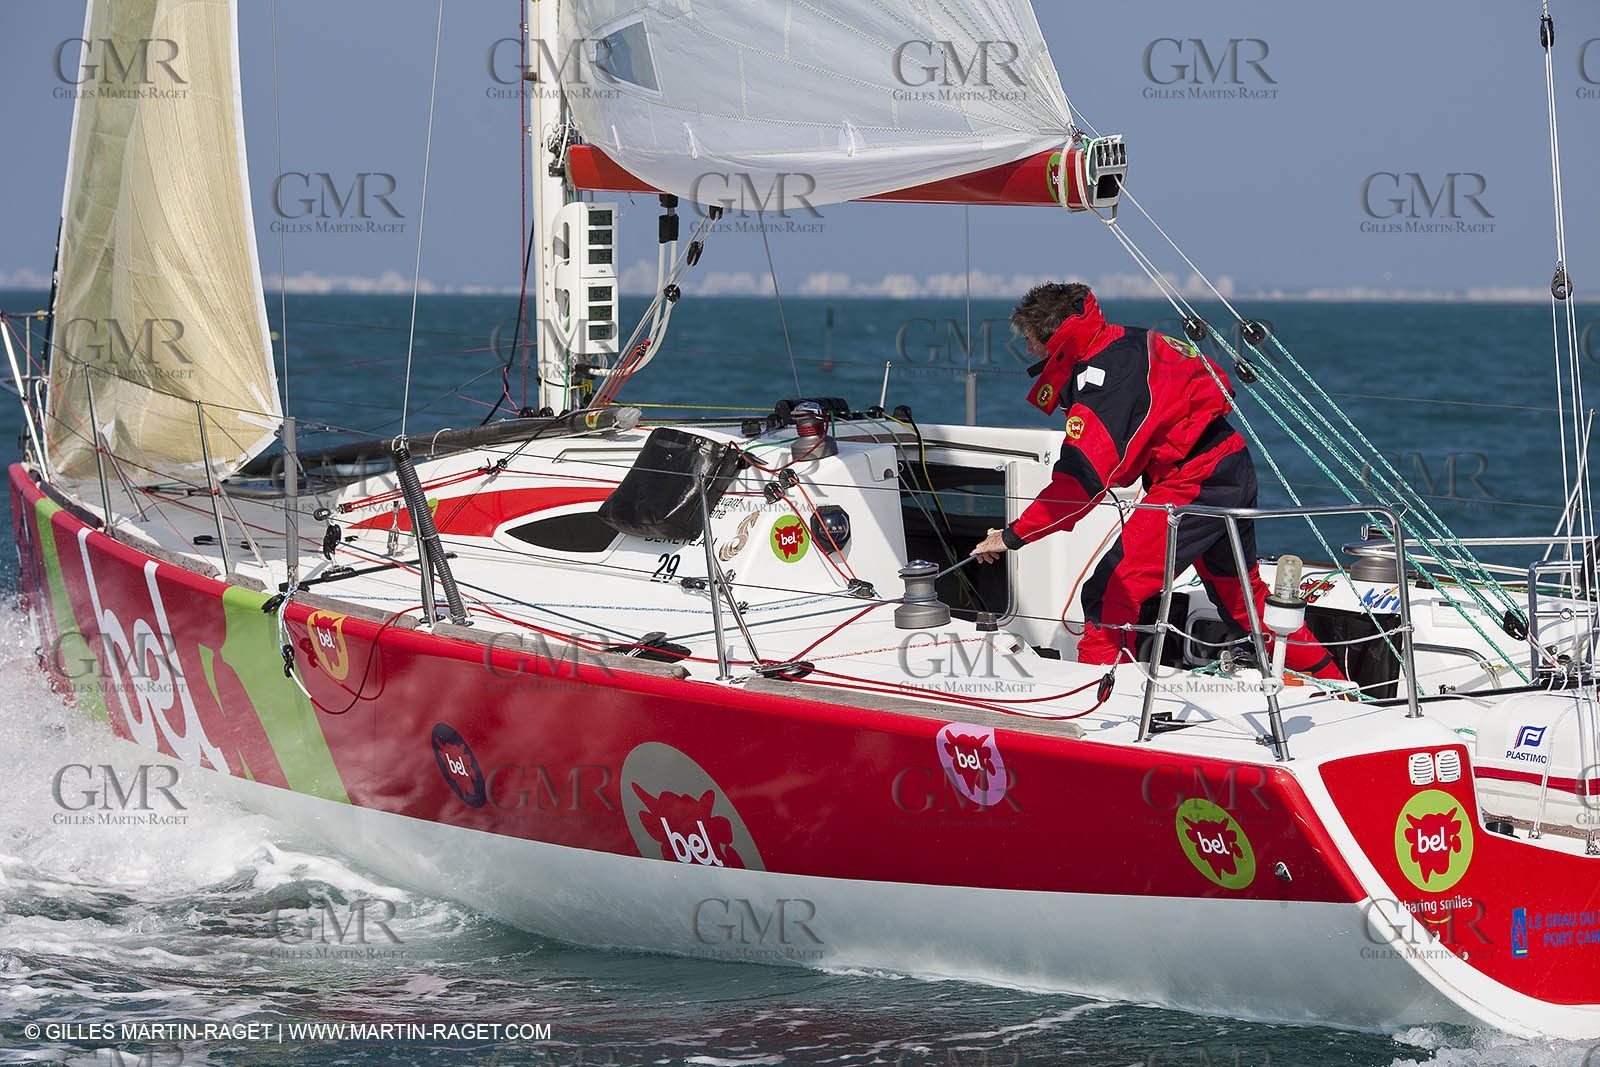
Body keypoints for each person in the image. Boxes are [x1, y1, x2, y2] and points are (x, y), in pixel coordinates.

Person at [971, 282, 1346, 681]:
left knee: (1111, 593)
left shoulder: (1103, 382)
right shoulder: (1126, 340)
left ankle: (1102, 702)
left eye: (1031, 342)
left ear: (1056, 337)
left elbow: (1080, 482)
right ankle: (1338, 685)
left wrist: (1012, 536)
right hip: (1226, 464)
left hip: (1195, 482)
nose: (1029, 352)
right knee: (1242, 600)